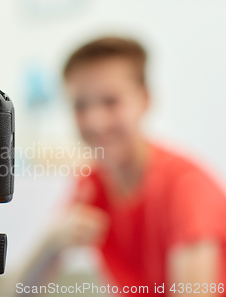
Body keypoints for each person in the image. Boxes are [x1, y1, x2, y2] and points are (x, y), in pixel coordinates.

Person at [18, 37, 226, 296]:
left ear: (145, 100)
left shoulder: (187, 188)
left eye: (110, 101)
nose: (95, 121)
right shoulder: (91, 185)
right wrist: (52, 241)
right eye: (80, 105)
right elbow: (14, 292)